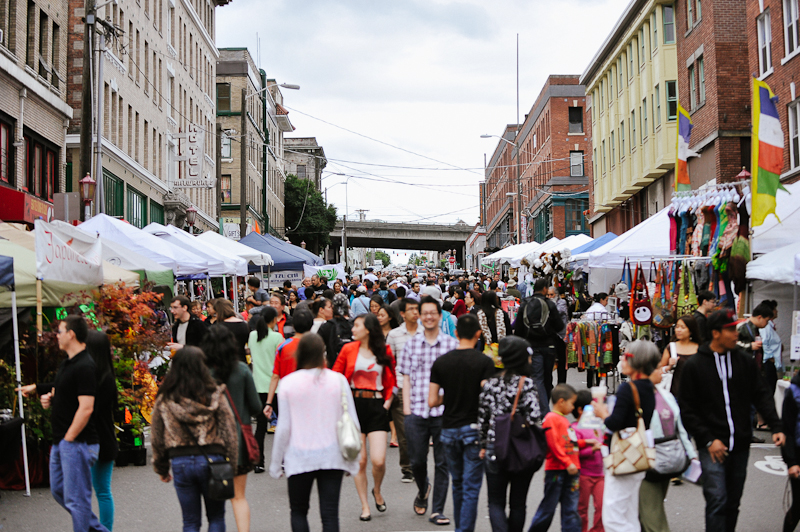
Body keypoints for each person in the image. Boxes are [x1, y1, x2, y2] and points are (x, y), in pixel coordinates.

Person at [679, 309, 784, 532]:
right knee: (717, 500)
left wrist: (776, 425)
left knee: (733, 502)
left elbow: (761, 394)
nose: (736, 334)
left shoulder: (744, 362)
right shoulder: (695, 365)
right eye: (730, 330)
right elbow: (687, 410)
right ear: (716, 333)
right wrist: (708, 440)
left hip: (741, 445)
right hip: (712, 447)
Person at [20, 317, 107, 532]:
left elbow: (86, 407)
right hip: (63, 442)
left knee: (77, 501)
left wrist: (69, 439)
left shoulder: (86, 365)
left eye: (60, 331)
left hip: (77, 442)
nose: (57, 335)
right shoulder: (68, 363)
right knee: (60, 491)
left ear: (71, 334)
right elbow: (62, 389)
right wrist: (47, 396)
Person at [270, 333, 360, 532]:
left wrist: (276, 464)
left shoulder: (288, 383)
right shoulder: (338, 381)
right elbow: (352, 421)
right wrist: (353, 461)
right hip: (332, 455)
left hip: (299, 456)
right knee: (330, 514)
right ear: (323, 353)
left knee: (299, 511)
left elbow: (283, 427)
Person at [150, 347, 238, 532]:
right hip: (213, 461)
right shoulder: (215, 394)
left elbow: (157, 436)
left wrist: (161, 467)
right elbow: (229, 432)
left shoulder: (166, 398)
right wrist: (232, 466)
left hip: (181, 461)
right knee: (216, 517)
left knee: (190, 522)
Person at [429, 313, 496, 532]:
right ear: (478, 334)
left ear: (456, 333)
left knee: (457, 483)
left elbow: (432, 401)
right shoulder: (484, 362)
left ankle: (460, 527)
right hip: (473, 429)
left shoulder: (441, 362)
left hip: (448, 428)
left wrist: (450, 395)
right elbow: (488, 397)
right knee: (471, 487)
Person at [399, 295, 458, 525]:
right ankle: (423, 489)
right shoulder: (411, 344)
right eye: (425, 313)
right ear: (420, 316)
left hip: (444, 413)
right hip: (416, 411)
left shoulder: (451, 345)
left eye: (434, 312)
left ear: (440, 315)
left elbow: (455, 381)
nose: (430, 316)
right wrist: (406, 409)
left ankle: (438, 509)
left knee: (443, 462)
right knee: (416, 461)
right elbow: (405, 378)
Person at [332, 313, 397, 521]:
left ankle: (376, 490)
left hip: (377, 405)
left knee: (378, 460)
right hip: (353, 405)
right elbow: (336, 377)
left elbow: (392, 380)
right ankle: (365, 506)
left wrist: (386, 404)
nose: (352, 329)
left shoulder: (384, 350)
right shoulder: (348, 349)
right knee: (359, 461)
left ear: (367, 329)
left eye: (356, 325)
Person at [593, 340, 659, 532]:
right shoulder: (648, 387)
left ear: (635, 361)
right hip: (639, 452)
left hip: (624, 455)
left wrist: (602, 413)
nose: (621, 359)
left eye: (625, 355)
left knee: (613, 517)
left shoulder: (627, 388)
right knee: (630, 512)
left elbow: (614, 423)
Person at [201, 326, 263, 532]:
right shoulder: (242, 370)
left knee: (214, 502)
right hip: (238, 443)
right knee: (239, 496)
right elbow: (256, 407)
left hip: (211, 441)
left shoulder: (203, 373)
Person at [478, 336, 542, 532]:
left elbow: (482, 418)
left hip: (494, 447)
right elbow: (534, 416)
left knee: (495, 502)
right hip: (521, 449)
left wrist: (482, 445)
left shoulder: (490, 384)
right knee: (518, 503)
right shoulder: (527, 384)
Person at [530, 384, 599, 532]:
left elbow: (568, 442)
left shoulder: (562, 420)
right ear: (561, 401)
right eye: (572, 403)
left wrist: (584, 442)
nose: (573, 408)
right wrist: (567, 462)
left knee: (571, 508)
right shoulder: (551, 419)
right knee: (548, 507)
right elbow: (554, 444)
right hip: (557, 470)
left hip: (571, 470)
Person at [638, 361, 696, 532]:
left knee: (652, 509)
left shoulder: (666, 395)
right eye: (657, 368)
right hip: (646, 461)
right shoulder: (635, 396)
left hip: (669, 459)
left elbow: (680, 428)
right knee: (652, 514)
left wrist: (690, 454)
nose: (662, 372)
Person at [515, 278, 564, 412]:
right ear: (545, 289)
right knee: (547, 379)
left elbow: (518, 328)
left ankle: (543, 410)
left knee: (537, 378)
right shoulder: (549, 304)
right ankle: (545, 411)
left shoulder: (525, 303)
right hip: (549, 346)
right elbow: (560, 326)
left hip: (531, 346)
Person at [86, 330, 118, 532]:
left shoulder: (94, 378)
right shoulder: (108, 376)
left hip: (95, 439)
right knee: (102, 489)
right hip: (106, 439)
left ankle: (104, 528)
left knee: (100, 490)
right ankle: (105, 528)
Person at [387, 297, 421, 484]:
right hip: (401, 387)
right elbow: (389, 361)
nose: (415, 312)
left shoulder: (427, 332)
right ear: (402, 313)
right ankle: (407, 468)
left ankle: (419, 465)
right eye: (411, 309)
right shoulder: (394, 335)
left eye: (417, 309)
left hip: (422, 388)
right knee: (404, 431)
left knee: (421, 431)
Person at [248, 307, 285, 471]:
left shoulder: (252, 335)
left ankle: (258, 462)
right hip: (275, 387)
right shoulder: (278, 337)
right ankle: (283, 460)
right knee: (283, 425)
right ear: (274, 320)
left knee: (260, 427)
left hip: (257, 386)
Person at [264, 310, 314, 423]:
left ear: (294, 326)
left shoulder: (283, 346)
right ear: (311, 325)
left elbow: (275, 376)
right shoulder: (316, 346)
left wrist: (269, 402)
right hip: (310, 396)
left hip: (287, 396)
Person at [571, 390, 604, 532]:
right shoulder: (574, 428)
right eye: (590, 406)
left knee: (603, 508)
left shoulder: (598, 425)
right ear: (580, 410)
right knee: (581, 510)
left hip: (600, 474)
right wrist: (592, 449)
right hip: (583, 475)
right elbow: (574, 452)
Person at [658, 315, 701, 399]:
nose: (678, 330)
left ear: (691, 330)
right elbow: (659, 370)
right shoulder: (671, 347)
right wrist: (669, 366)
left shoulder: (699, 349)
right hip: (674, 393)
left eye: (682, 327)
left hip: (695, 394)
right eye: (677, 327)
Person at [781, 369, 800, 532]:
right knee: (799, 504)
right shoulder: (793, 391)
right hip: (798, 454)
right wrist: (791, 461)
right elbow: (786, 429)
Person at [318, 293, 354, 368]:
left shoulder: (326, 326)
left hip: (333, 367)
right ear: (347, 307)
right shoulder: (354, 325)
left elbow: (316, 348)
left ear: (333, 308)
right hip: (351, 366)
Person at [759, 300, 782, 398]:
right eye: (775, 309)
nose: (777, 311)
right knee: (769, 390)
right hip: (768, 363)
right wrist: (770, 357)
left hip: (772, 362)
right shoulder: (766, 326)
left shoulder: (770, 326)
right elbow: (764, 342)